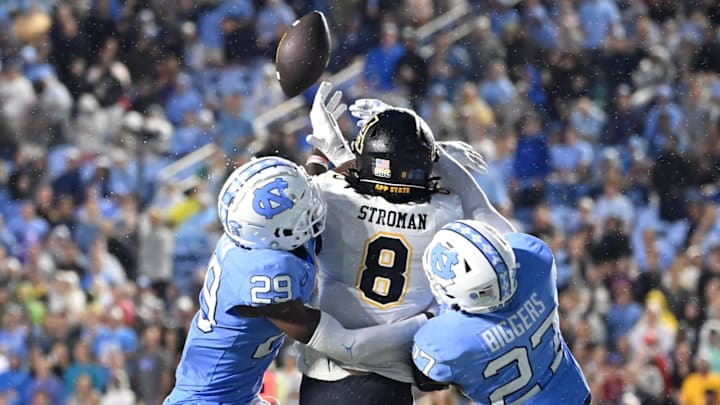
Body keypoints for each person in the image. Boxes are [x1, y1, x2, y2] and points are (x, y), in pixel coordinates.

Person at [297, 82, 515, 404]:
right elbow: (501, 230)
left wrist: (324, 150)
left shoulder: (331, 195)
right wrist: (439, 156)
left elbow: (324, 186)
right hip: (392, 379)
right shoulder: (445, 213)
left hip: (326, 375)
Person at [164, 156, 432, 405]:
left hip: (237, 394)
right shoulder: (267, 274)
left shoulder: (260, 238)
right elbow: (344, 345)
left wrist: (332, 155)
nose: (315, 206)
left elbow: (308, 192)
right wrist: (423, 324)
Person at [412, 220, 591, 404]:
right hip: (570, 389)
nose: (500, 291)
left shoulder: (445, 340)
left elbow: (427, 381)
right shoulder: (537, 258)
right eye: (486, 292)